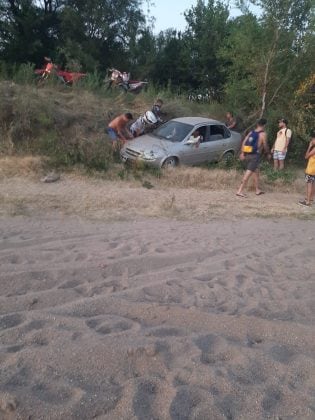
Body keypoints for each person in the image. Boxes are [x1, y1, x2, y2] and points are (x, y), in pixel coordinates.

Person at [236, 118, 271, 197]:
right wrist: (268, 153)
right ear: (264, 125)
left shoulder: (251, 132)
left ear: (257, 124)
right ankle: (240, 190)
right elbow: (265, 145)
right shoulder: (263, 134)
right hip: (255, 156)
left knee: (256, 172)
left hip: (248, 154)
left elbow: (244, 142)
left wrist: (242, 153)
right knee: (248, 174)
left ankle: (257, 189)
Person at [299, 131, 315, 207]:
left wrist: (309, 146)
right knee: (313, 184)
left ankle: (308, 202)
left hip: (311, 169)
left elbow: (306, 156)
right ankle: (311, 198)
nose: (311, 141)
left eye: (312, 139)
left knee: (309, 184)